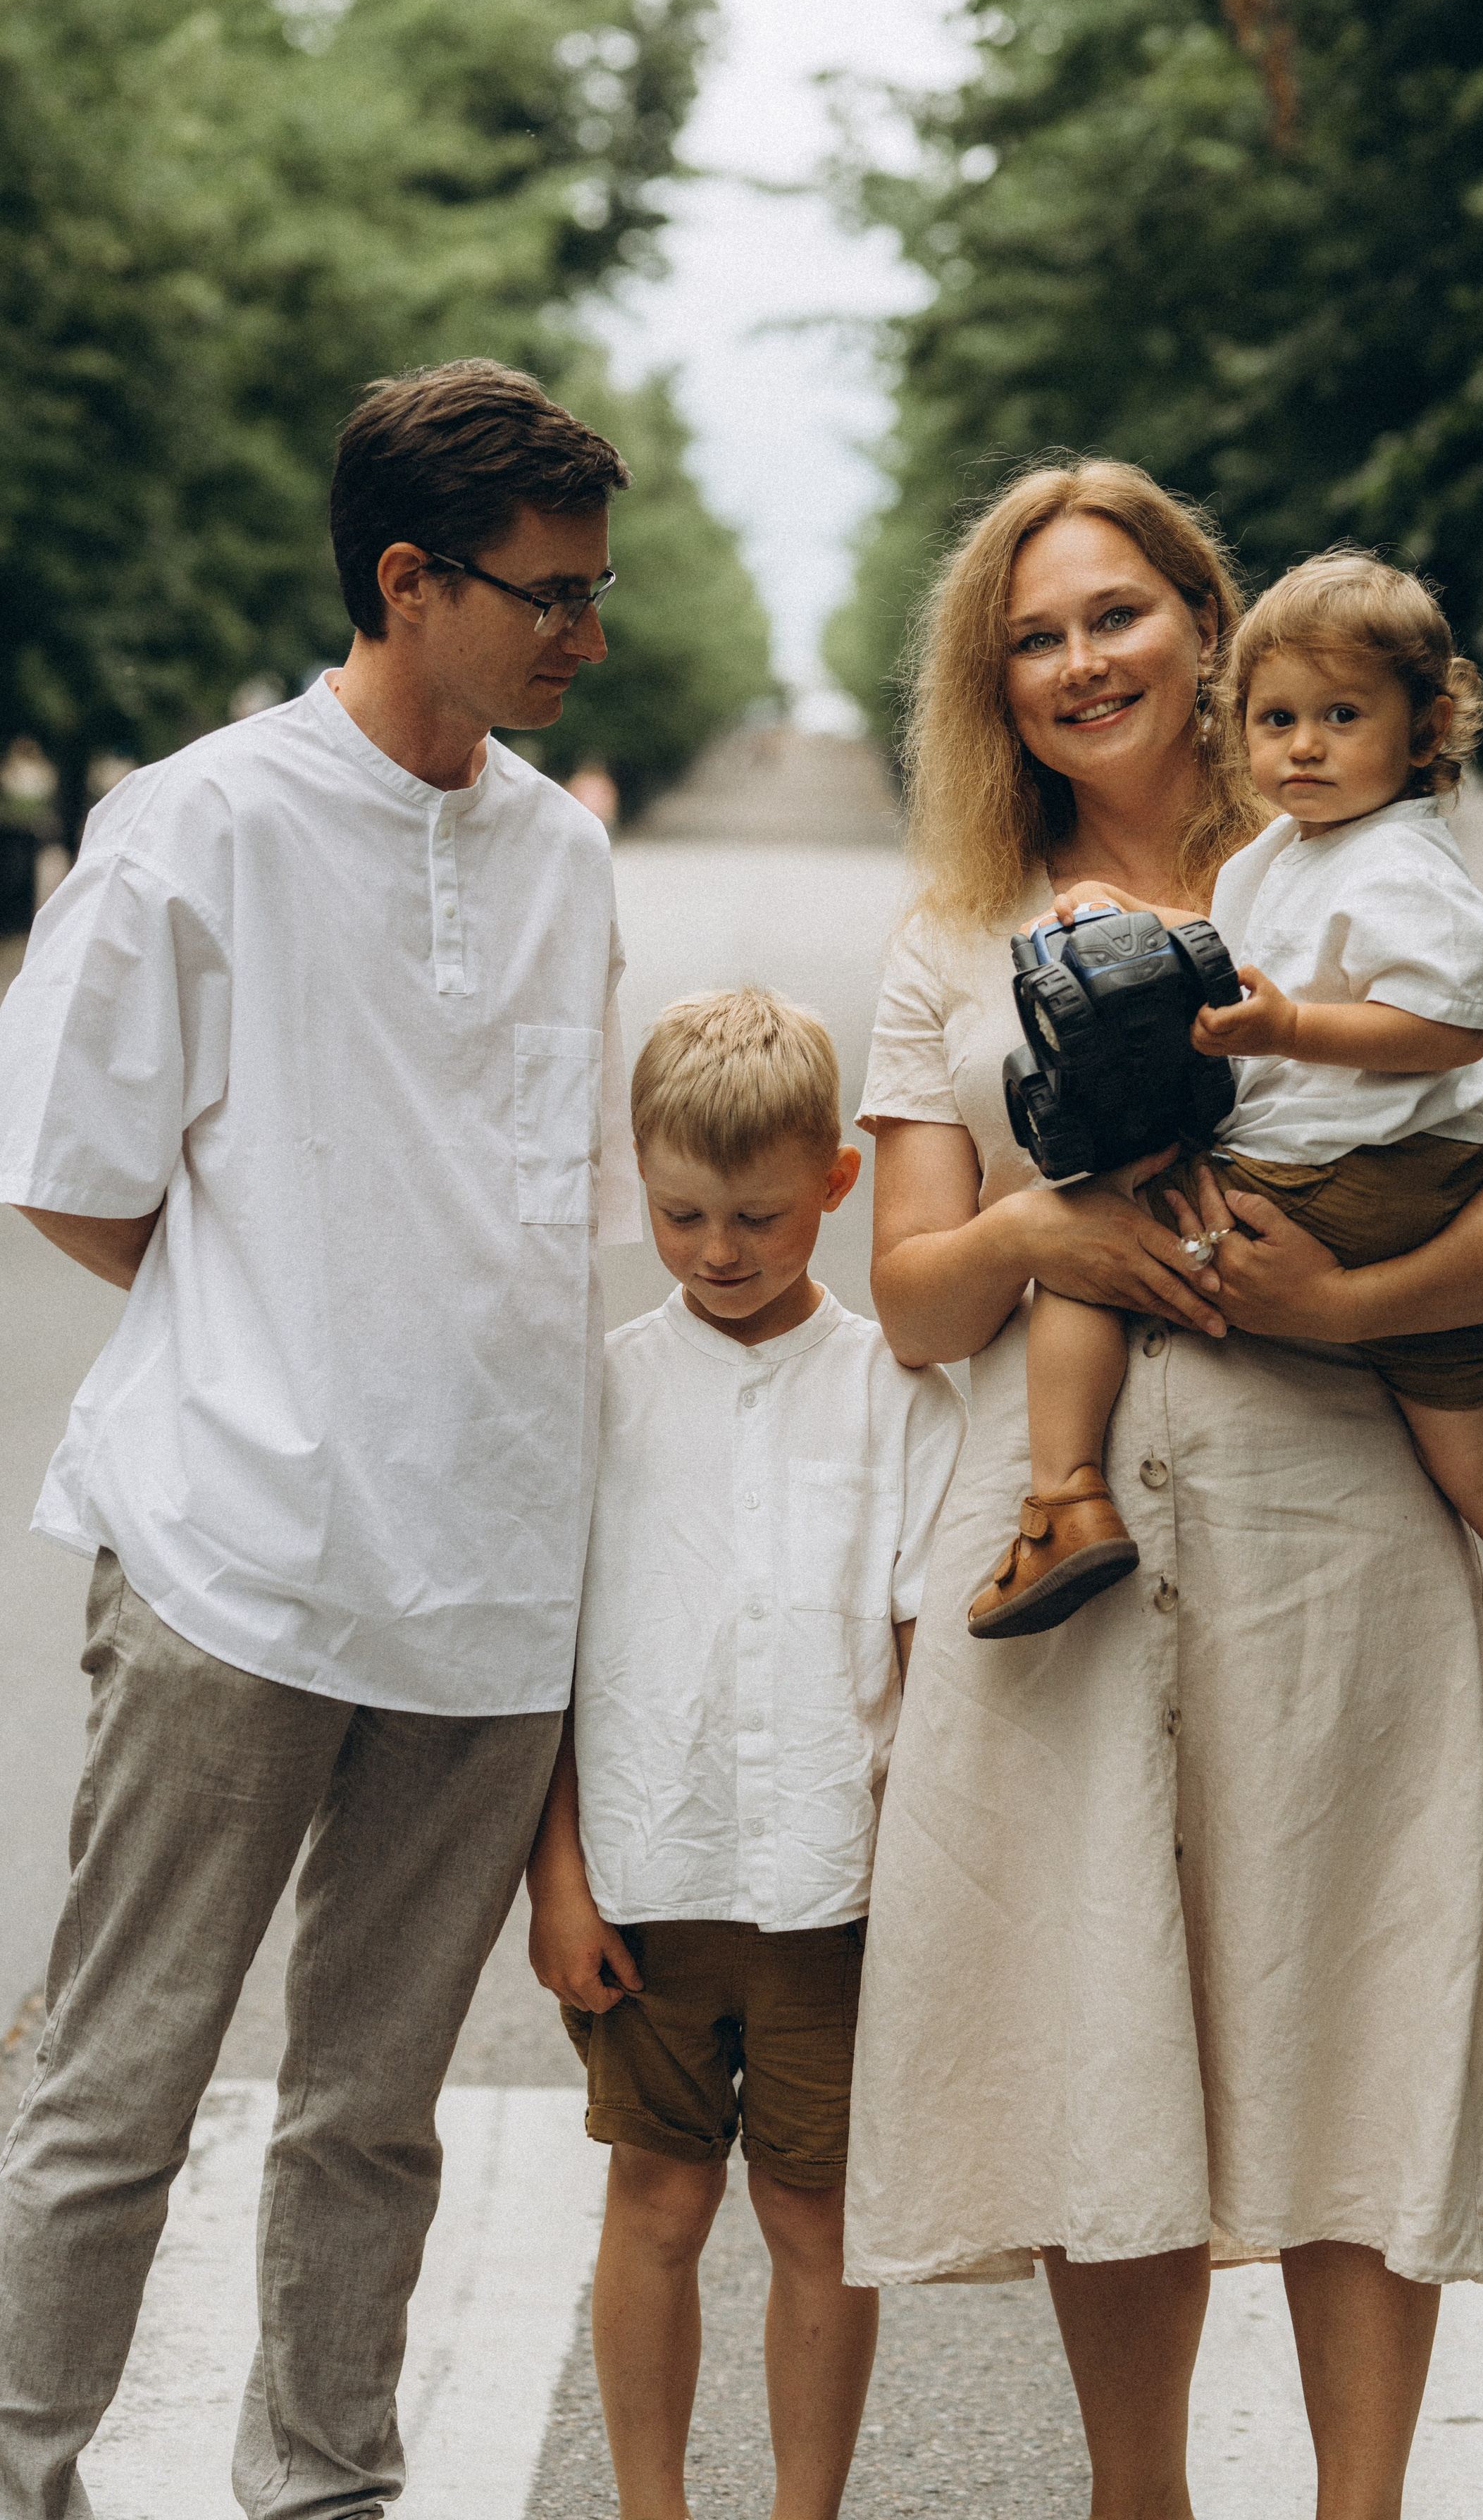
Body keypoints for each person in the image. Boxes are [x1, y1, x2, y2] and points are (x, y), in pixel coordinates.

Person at [844, 457, 1483, 2520]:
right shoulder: (949, 942)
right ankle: (1144, 2501)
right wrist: (1038, 1234)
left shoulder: (1357, 882)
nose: (1081, 661)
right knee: (1103, 2027)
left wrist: (1350, 1303)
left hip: (1331, 1534)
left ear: (1208, 623)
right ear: (994, 688)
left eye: (1117, 613)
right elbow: (909, 1298)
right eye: (1033, 638)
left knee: (1361, 2008)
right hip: (1059, 1559)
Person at [0, 358, 642, 2520]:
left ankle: (325, 2490)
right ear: (410, 580)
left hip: (490, 1589)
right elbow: (68, 1166)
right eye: (547, 593)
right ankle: (3, 2486)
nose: (583, 633)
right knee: (122, 2082)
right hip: (232, 1559)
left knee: (372, 2118)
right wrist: (278, 1318)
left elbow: (564, 1213)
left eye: (597, 591)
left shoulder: (561, 855)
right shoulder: (207, 823)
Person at [972, 549, 1483, 1846]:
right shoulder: (1292, 854)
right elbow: (1241, 966)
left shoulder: (1403, 863)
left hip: (1353, 1174)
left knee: (1090, 1236)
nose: (1301, 748)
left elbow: (1444, 1027)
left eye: (1342, 716)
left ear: (1426, 732)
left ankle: (1064, 1497)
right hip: (1409, 1194)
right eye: (1276, 718)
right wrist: (1136, 918)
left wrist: (1291, 1029)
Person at [528, 987, 964, 2520]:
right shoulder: (600, 1391)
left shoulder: (896, 1390)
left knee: (814, 2221)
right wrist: (557, 1882)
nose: (718, 1250)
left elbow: (927, 1662)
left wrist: (924, 1892)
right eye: (681, 1215)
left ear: (838, 1183)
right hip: (646, 1884)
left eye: (759, 1217)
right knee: (654, 2201)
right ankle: (651, 2504)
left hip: (834, 1896)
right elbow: (542, 1666)